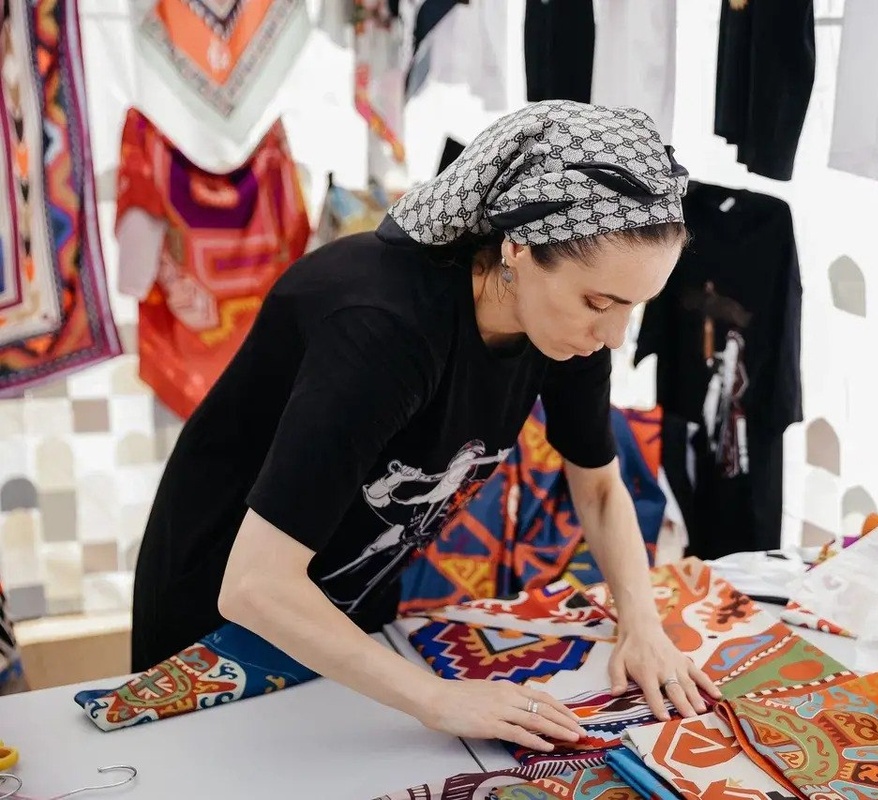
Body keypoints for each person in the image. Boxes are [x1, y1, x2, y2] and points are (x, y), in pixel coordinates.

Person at [130, 100, 722, 753]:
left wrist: (642, 626)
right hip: (220, 607)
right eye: (600, 302)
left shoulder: (567, 332)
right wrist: (438, 698)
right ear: (519, 247)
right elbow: (255, 585)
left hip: (348, 606)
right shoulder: (383, 328)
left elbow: (601, 488)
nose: (613, 335)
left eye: (633, 308)